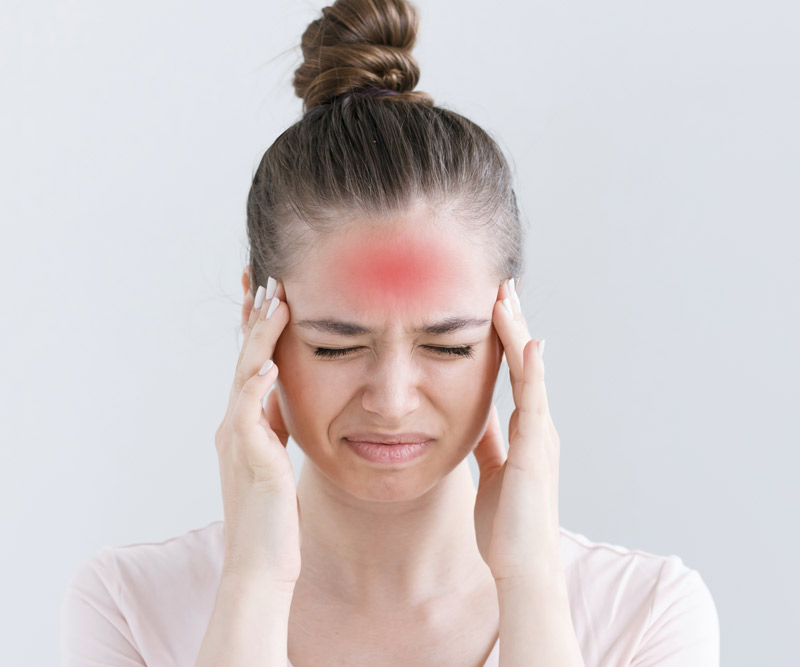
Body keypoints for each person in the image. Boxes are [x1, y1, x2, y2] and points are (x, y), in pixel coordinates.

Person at [59, 0, 720, 664]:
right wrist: (254, 581)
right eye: (337, 345)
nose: (393, 399)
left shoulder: (647, 615)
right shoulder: (128, 606)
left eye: (447, 344)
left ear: (506, 331)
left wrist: (531, 583)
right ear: (256, 318)